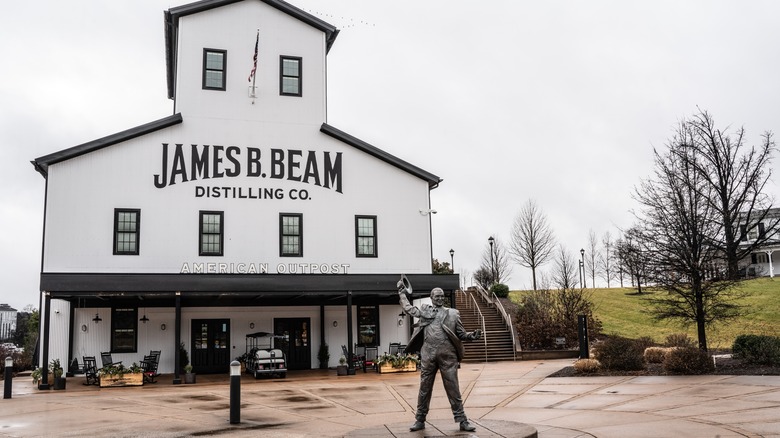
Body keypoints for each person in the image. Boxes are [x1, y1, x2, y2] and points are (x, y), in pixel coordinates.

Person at [397, 278, 482, 432]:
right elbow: (409, 309)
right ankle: (420, 419)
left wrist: (471, 335)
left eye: (442, 296)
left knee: (453, 388)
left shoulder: (453, 314)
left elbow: (461, 334)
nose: (440, 298)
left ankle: (462, 420)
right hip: (428, 356)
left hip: (448, 356)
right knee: (424, 388)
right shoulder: (425, 311)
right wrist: (402, 294)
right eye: (437, 296)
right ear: (431, 297)